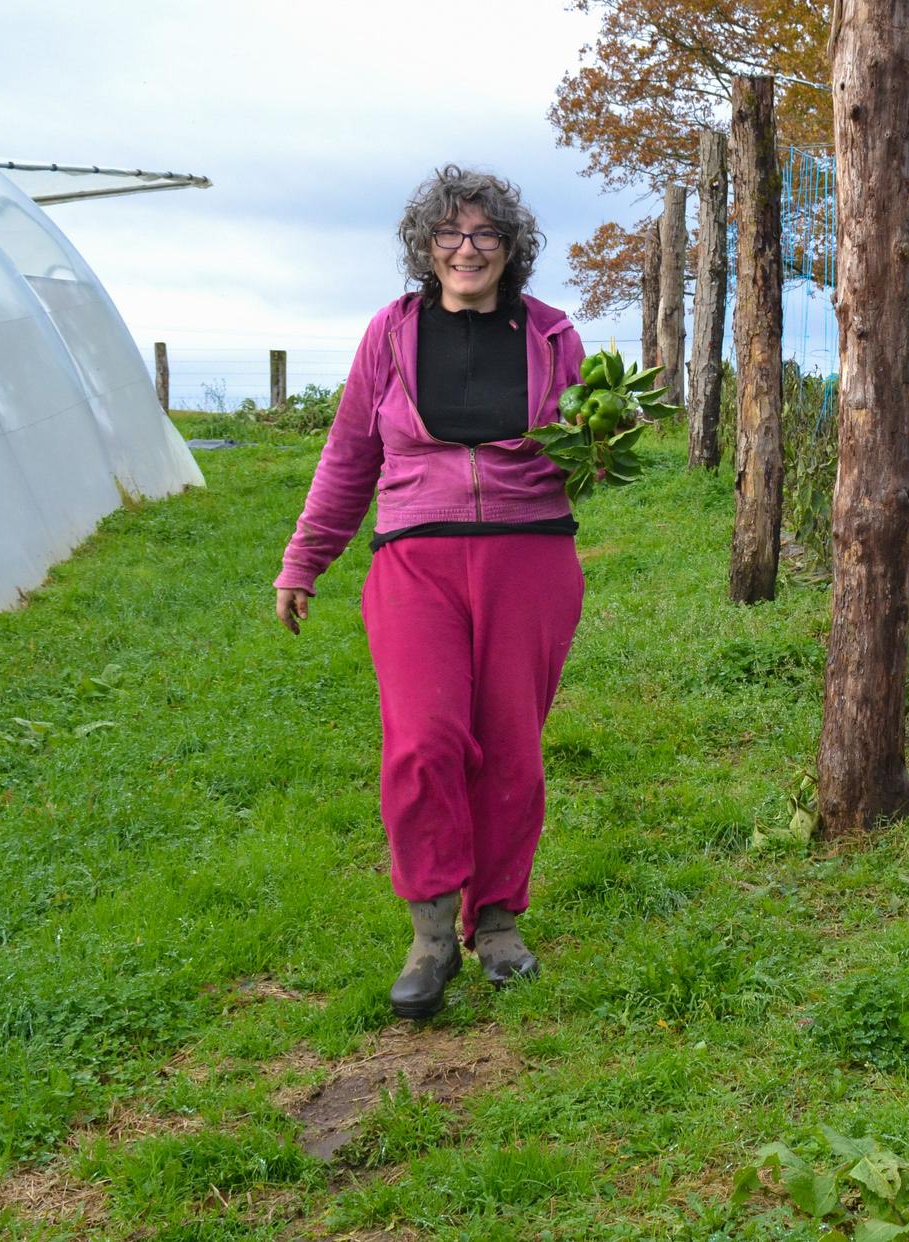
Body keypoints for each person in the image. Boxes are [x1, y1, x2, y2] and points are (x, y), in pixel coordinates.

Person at [273, 166, 585, 1020]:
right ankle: (430, 932)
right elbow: (348, 456)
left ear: (510, 248)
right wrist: (306, 559)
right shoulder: (392, 333)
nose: (467, 249)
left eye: (485, 234)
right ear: (426, 246)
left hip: (530, 558)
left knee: (510, 744)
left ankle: (498, 920)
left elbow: (581, 455)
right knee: (423, 740)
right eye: (450, 234)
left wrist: (606, 437)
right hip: (415, 558)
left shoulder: (554, 336)